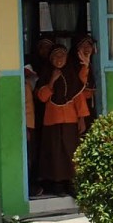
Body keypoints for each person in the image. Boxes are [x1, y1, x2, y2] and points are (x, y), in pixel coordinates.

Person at [36, 43, 83, 195]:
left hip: (71, 120)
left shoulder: (72, 75)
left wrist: (82, 118)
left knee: (71, 151)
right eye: (55, 56)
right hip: (52, 120)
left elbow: (78, 98)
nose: (59, 59)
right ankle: (57, 184)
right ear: (51, 59)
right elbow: (42, 97)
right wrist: (52, 80)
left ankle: (72, 183)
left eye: (62, 55)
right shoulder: (46, 74)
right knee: (55, 153)